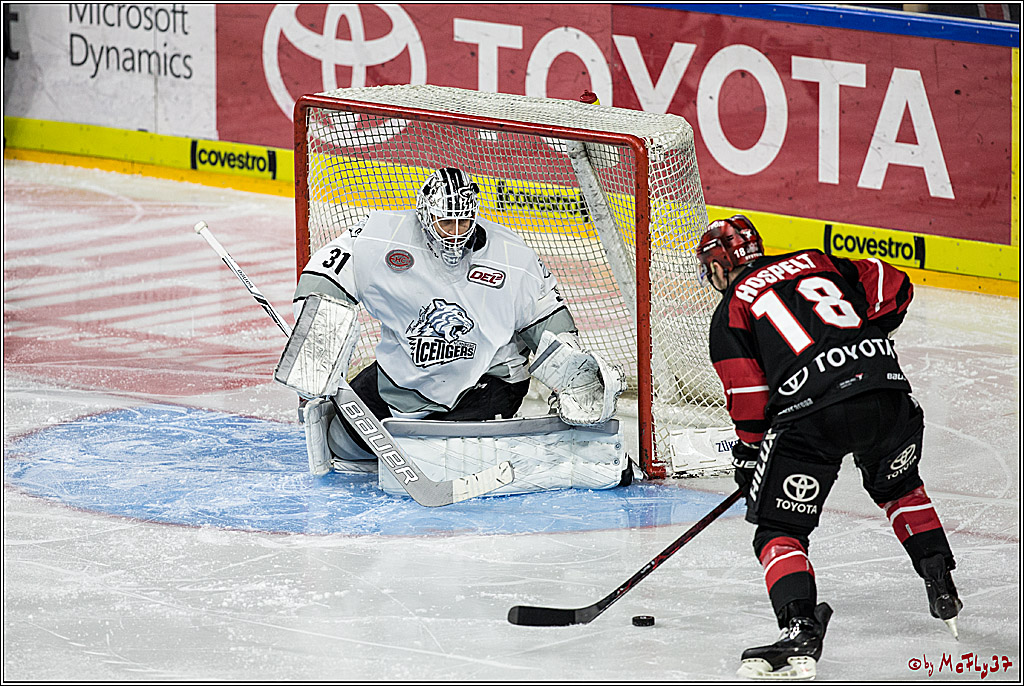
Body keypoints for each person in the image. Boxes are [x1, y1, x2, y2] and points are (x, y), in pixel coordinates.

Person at [694, 215, 961, 680]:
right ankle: (939, 579)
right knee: (900, 488)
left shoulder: (732, 309)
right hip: (888, 395)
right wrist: (863, 339)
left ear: (718, 268)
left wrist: (748, 457)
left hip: (814, 417)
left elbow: (751, 400)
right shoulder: (818, 260)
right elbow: (894, 286)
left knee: (777, 529)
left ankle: (799, 626)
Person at [292, 166, 625, 478]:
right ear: (425, 216)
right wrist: (319, 334)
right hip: (403, 379)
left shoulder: (513, 257)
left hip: (488, 382)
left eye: (462, 224)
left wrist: (574, 375)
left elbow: (546, 321)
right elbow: (327, 272)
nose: (455, 235)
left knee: (444, 458)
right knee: (342, 444)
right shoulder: (382, 237)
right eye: (445, 223)